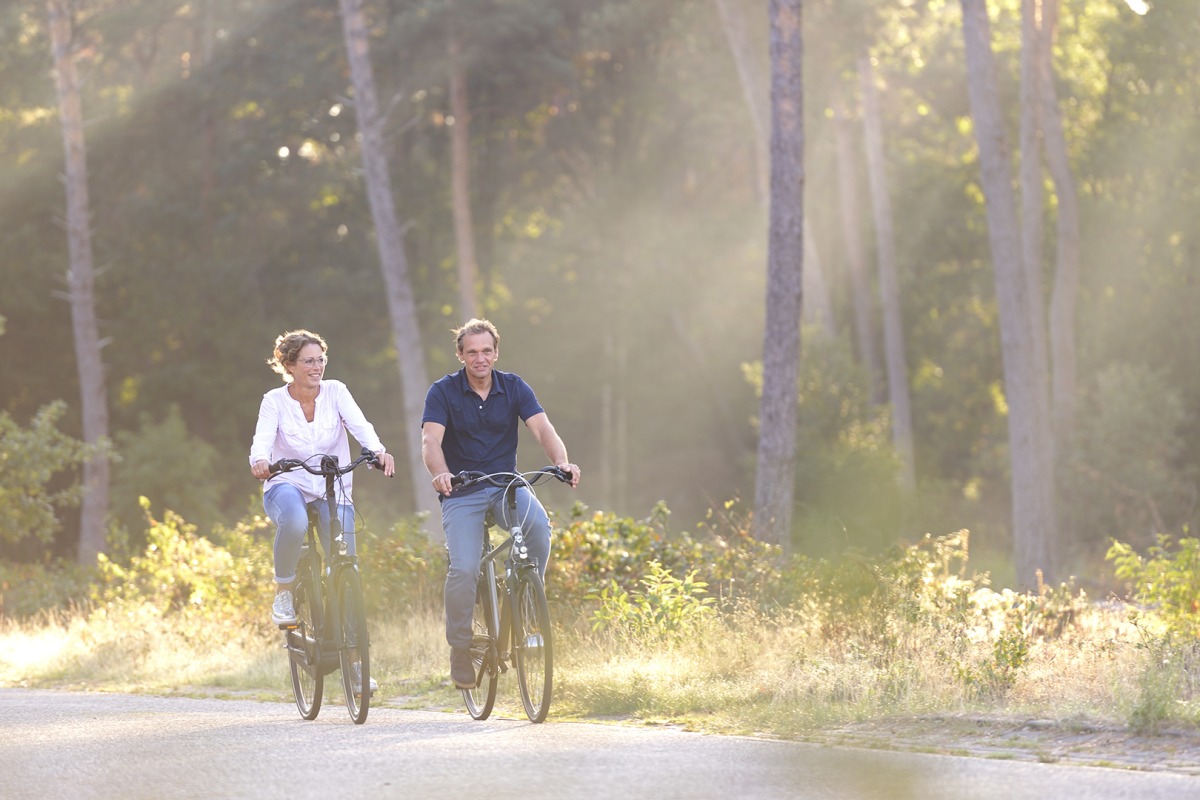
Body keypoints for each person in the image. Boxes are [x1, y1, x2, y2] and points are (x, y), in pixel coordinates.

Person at [421, 318, 580, 689]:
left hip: (507, 485)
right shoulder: (442, 392)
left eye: (486, 351)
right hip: (461, 491)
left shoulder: (513, 386)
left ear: (496, 352)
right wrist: (442, 473)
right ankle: (461, 648)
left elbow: (542, 428)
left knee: (539, 527)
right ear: (460, 354)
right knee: (463, 570)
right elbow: (430, 442)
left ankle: (523, 596)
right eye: (472, 351)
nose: (480, 358)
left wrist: (562, 462)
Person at [249, 329, 395, 635]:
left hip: (332, 487)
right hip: (287, 482)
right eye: (308, 361)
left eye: (321, 360)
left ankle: (355, 663)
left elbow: (360, 425)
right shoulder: (274, 401)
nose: (317, 367)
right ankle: (285, 591)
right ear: (289, 366)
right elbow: (262, 437)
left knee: (346, 566)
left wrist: (377, 451)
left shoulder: (336, 392)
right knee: (295, 520)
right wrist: (260, 460)